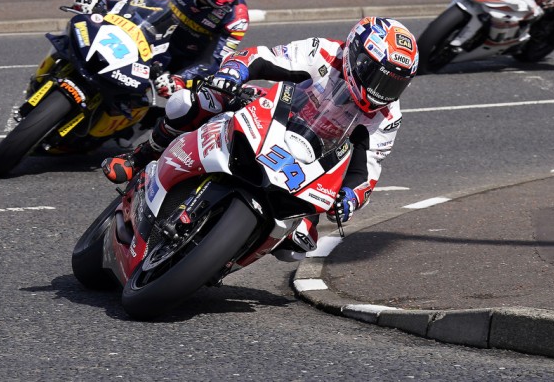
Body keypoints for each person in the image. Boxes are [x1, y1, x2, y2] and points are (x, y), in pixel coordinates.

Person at [101, 16, 420, 261]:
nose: (383, 91)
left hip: (309, 164)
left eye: (394, 84)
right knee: (191, 102)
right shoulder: (324, 52)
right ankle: (140, 157)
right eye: (379, 77)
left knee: (297, 246)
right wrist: (232, 75)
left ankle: (221, 256)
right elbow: (259, 57)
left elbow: (369, 169)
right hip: (273, 114)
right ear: (358, 57)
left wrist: (349, 197)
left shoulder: (388, 115)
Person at [70, 0, 251, 92]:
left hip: (170, 62)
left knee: (193, 105)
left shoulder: (237, 18)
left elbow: (213, 61)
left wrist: (180, 79)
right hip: (137, 25)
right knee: (88, 16)